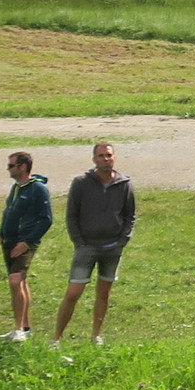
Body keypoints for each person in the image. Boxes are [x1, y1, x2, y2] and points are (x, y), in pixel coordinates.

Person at [54, 142, 135, 346]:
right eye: (101, 156)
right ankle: (56, 338)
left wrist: (123, 240)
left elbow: (130, 215)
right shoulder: (81, 183)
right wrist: (79, 242)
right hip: (87, 247)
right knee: (73, 293)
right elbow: (71, 214)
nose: (105, 159)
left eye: (108, 155)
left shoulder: (124, 184)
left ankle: (96, 335)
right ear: (94, 159)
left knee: (104, 293)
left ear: (114, 157)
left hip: (112, 247)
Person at [0, 151, 52, 341]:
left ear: (22, 167)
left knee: (15, 281)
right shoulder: (16, 188)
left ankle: (19, 329)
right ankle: (25, 328)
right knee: (20, 282)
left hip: (24, 242)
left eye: (11, 165)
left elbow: (46, 219)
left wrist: (27, 242)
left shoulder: (38, 189)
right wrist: (0, 233)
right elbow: (9, 211)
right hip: (9, 240)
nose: (8, 169)